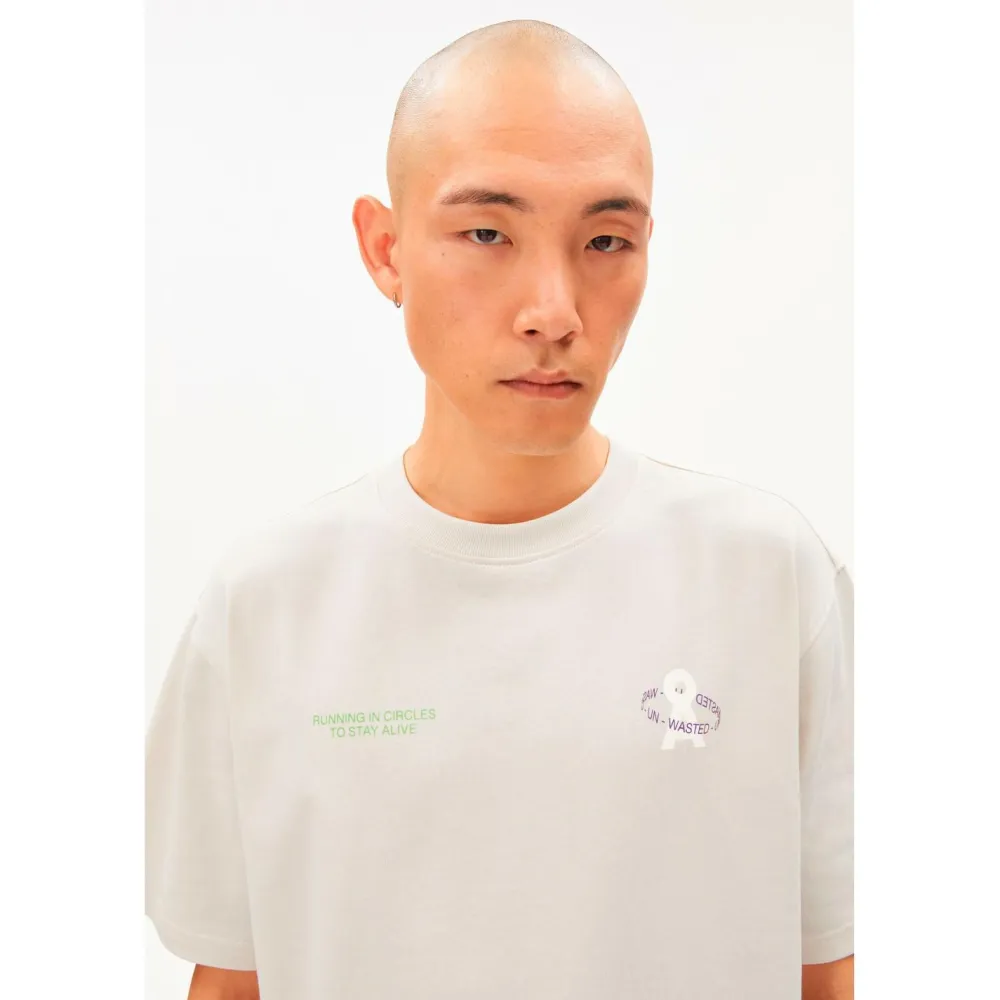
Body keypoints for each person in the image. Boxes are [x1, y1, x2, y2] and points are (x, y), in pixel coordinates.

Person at [145, 19, 854, 1000]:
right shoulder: (266, 604)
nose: (554, 310)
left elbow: (832, 969)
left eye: (605, 241)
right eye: (487, 233)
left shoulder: (769, 576)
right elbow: (231, 981)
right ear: (385, 248)